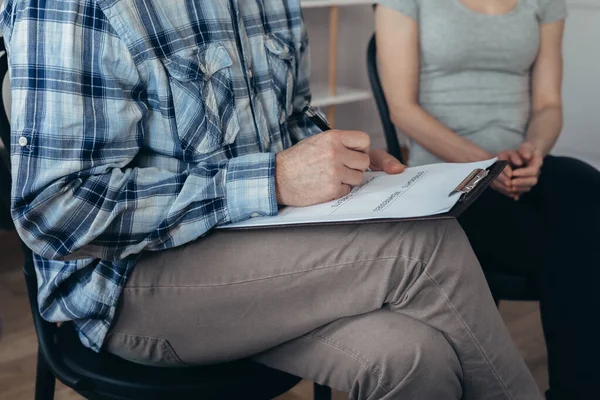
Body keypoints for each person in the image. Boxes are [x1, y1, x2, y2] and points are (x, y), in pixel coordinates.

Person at [1, 0, 542, 398]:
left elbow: (291, 119)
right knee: (421, 244)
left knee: (411, 357)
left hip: (267, 252)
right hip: (127, 285)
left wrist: (334, 161)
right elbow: (56, 211)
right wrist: (273, 179)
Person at [376, 0, 600, 398]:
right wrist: (482, 164)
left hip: (518, 166)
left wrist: (535, 149)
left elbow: (548, 104)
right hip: (446, 178)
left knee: (585, 186)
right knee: (573, 244)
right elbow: (403, 110)